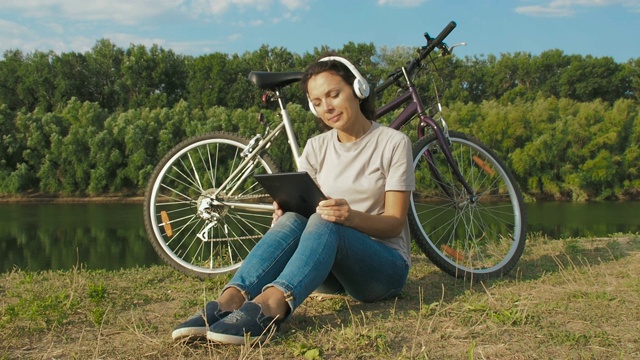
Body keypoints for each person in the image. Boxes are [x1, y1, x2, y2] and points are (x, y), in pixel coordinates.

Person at [171, 56, 415, 345]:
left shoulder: (393, 143)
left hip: (382, 269)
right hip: (331, 270)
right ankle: (229, 301)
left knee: (328, 221)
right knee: (293, 218)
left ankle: (272, 306)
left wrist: (351, 217)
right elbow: (303, 212)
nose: (327, 107)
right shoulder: (316, 147)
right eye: (318, 101)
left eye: (334, 94)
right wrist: (287, 208)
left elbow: (394, 224)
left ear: (358, 89)